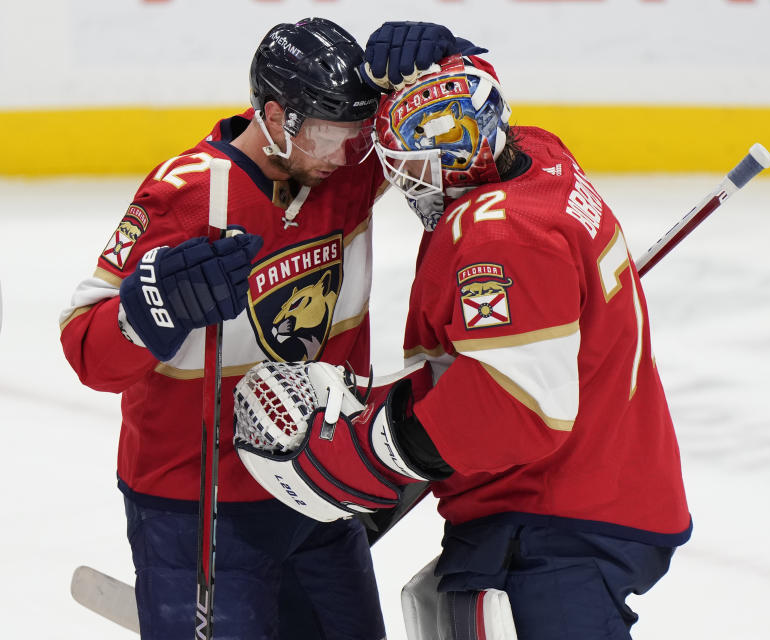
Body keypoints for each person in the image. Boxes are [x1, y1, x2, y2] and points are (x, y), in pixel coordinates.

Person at [232, 42, 692, 640]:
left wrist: (381, 447)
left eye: (412, 167)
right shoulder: (538, 157)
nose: (403, 182)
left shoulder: (503, 240)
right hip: (590, 483)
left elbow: (514, 406)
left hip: (555, 520)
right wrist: (452, 60)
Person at [58, 18, 473, 640]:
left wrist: (447, 67)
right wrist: (152, 309)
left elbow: (451, 134)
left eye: (356, 133)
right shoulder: (188, 196)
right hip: (198, 504)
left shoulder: (347, 164)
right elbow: (85, 348)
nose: (348, 152)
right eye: (333, 134)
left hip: (320, 482)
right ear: (276, 118)